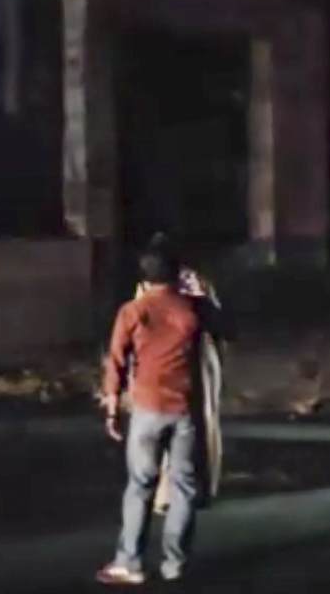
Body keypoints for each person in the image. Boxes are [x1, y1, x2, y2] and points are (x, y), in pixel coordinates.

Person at [95, 249, 202, 585]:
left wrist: (112, 406)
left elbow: (115, 360)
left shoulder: (134, 311)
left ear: (143, 279)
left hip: (147, 409)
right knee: (183, 487)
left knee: (140, 486)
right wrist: (197, 291)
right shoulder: (193, 308)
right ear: (176, 274)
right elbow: (228, 328)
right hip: (183, 409)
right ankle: (175, 565)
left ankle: (130, 563)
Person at [135, 233, 224, 516]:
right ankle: (192, 490)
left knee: (166, 429)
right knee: (195, 425)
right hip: (194, 364)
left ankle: (168, 494)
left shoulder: (153, 289)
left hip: (171, 367)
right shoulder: (195, 287)